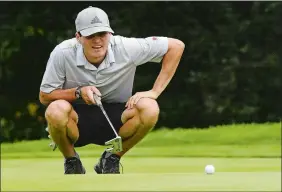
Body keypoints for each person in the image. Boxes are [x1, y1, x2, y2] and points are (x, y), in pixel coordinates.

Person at [39, 6, 185, 174]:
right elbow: (45, 96)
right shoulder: (63, 53)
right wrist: (78, 92)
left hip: (118, 119)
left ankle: (111, 158)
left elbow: (176, 46)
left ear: (110, 34)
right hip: (75, 120)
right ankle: (72, 160)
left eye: (102, 34)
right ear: (78, 37)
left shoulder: (126, 47)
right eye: (90, 35)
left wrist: (155, 92)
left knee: (150, 107)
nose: (97, 41)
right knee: (55, 110)